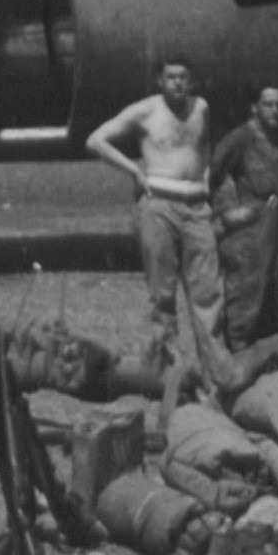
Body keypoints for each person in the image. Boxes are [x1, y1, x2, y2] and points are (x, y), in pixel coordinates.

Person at [86, 58, 226, 370]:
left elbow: (204, 151)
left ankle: (216, 373)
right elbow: (96, 140)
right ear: (160, 82)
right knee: (162, 294)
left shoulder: (200, 108)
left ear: (191, 82)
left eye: (184, 77)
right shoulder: (146, 110)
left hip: (196, 208)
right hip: (159, 205)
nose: (178, 83)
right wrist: (134, 170)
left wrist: (204, 187)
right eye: (171, 77)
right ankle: (169, 371)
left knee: (208, 291)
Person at [206, 82, 278, 342]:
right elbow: (212, 175)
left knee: (269, 307)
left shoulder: (277, 140)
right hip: (249, 233)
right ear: (254, 107)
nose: (275, 110)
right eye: (268, 104)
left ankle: (265, 375)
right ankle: (236, 367)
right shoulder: (240, 138)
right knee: (244, 305)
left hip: (273, 231)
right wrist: (226, 211)